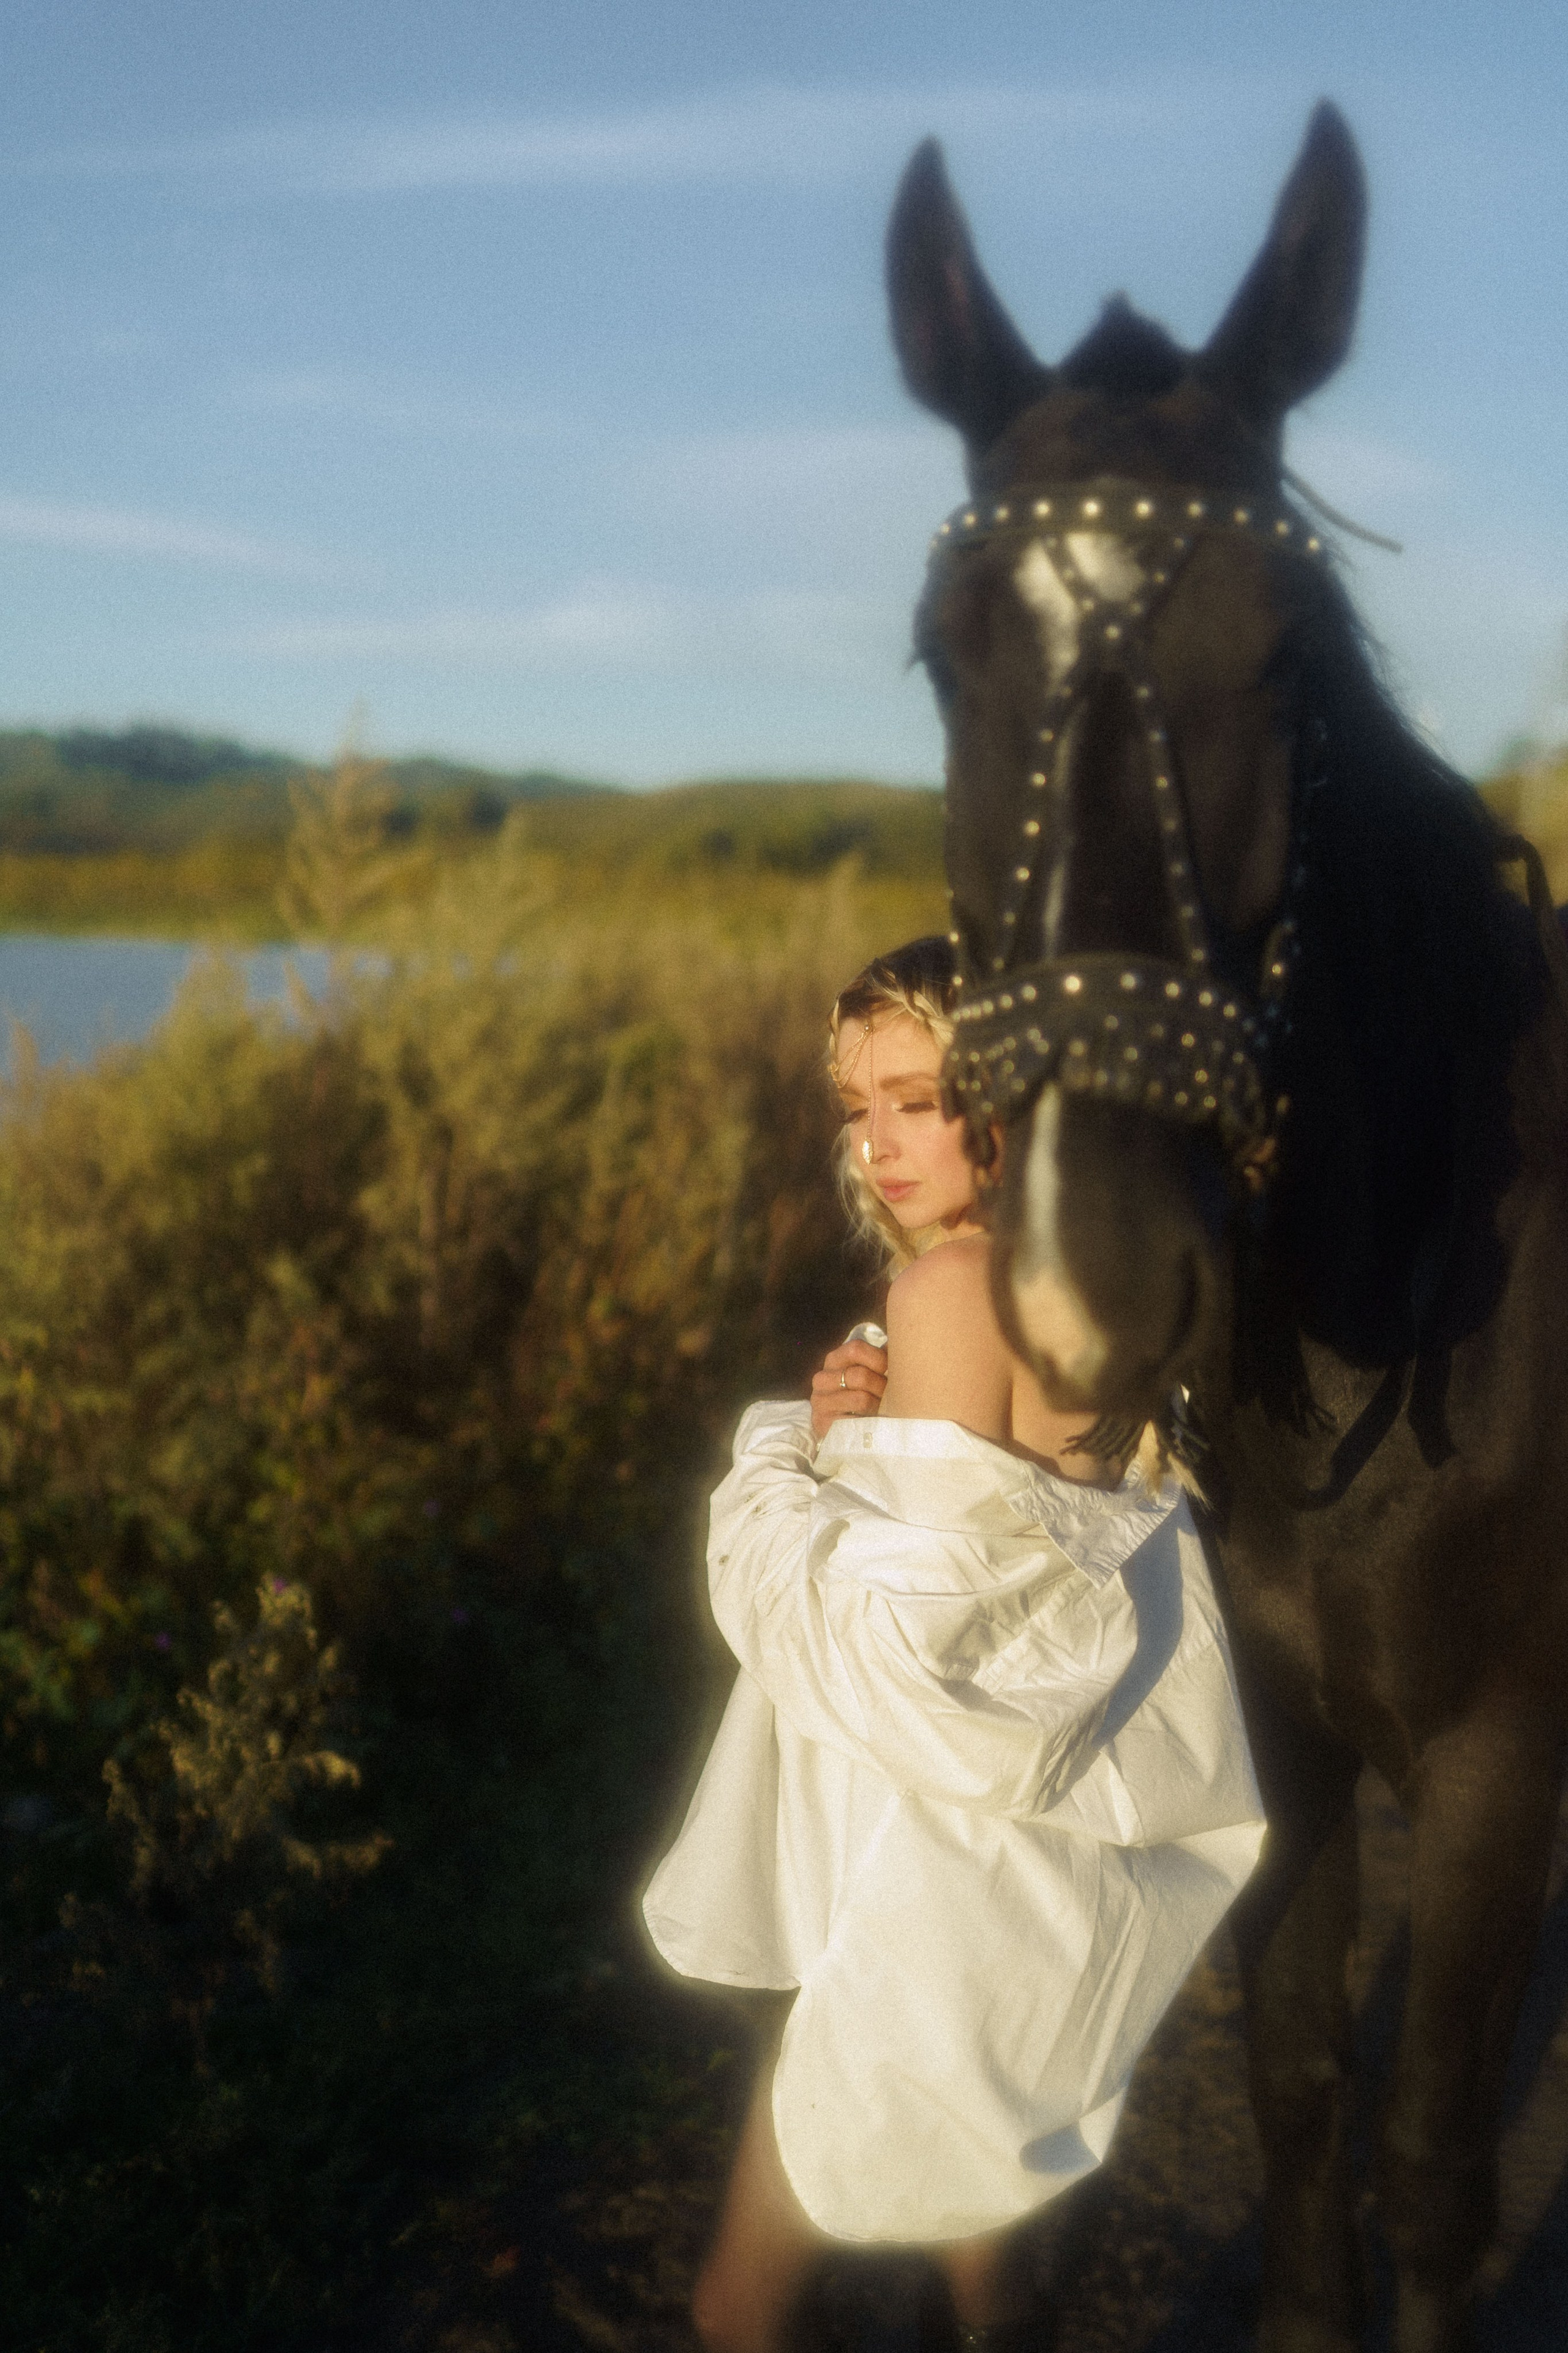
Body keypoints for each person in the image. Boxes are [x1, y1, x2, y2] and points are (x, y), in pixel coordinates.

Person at [642, 938, 1265, 2353]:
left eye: (914, 1101)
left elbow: (901, 1655)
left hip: (931, 1884)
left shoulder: (948, 1291)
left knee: (733, 2311)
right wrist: (857, 1440)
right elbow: (1005, 1561)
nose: (874, 1143)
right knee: (985, 2253)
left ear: (1004, 1100)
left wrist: (786, 1459)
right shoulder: (1099, 1286)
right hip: (1039, 1881)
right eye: (857, 1105)